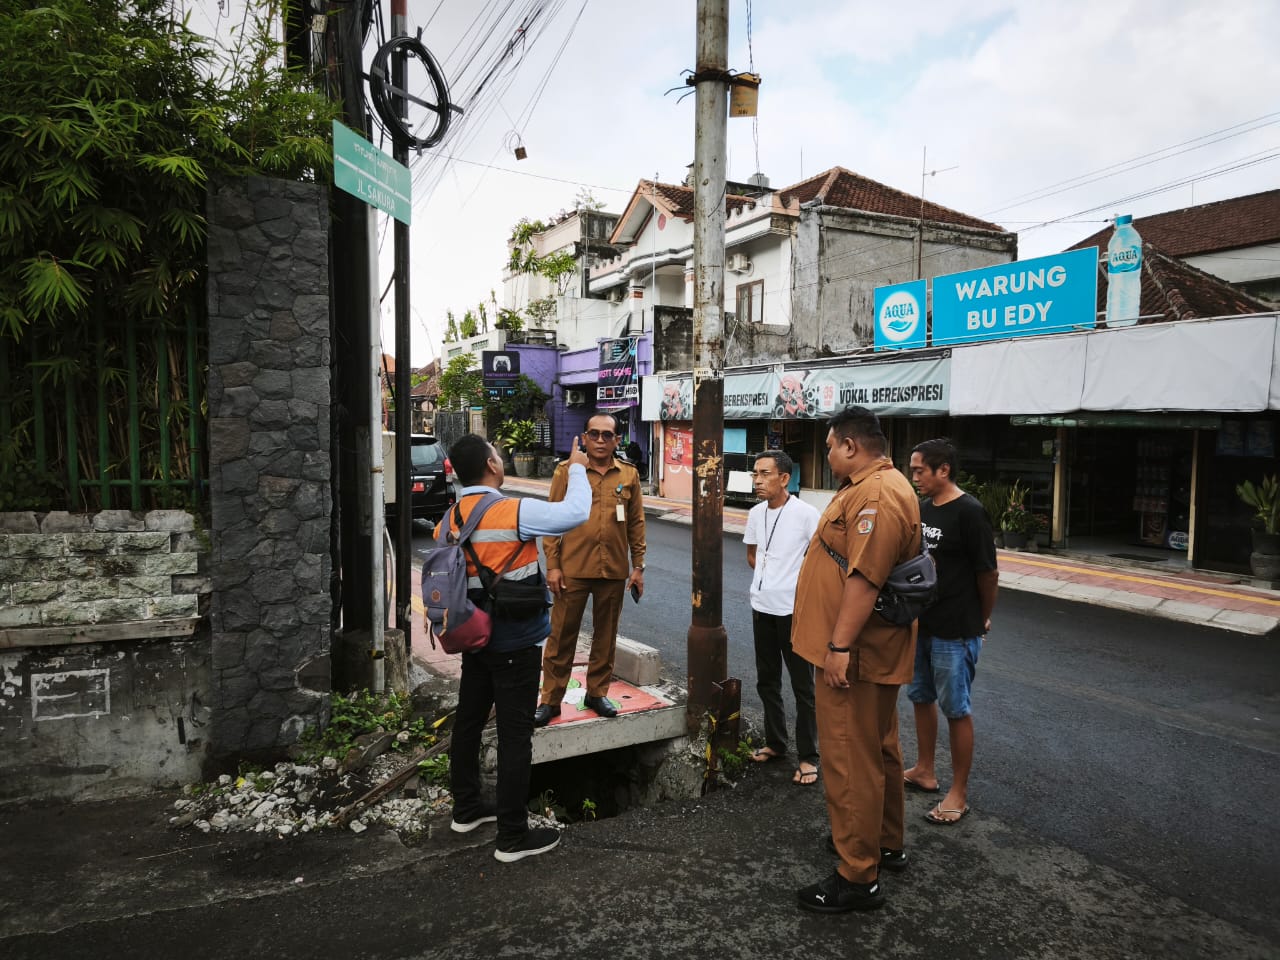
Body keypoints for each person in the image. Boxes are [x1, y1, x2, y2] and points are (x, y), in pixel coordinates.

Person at [791, 406, 921, 914]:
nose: (826, 454)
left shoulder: (878, 495)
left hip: (856, 656)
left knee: (849, 760)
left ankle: (856, 875)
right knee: (878, 748)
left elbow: (864, 579)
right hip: (865, 652)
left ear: (850, 445)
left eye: (828, 446)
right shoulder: (867, 485)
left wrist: (839, 648)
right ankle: (882, 842)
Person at [445, 432, 591, 863]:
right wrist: (577, 465)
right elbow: (575, 512)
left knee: (468, 723)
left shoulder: (450, 518)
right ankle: (512, 836)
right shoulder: (510, 511)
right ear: (491, 465)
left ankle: (467, 809)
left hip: (474, 639)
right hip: (516, 642)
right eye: (497, 453)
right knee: (515, 737)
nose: (501, 458)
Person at [903, 438, 998, 825]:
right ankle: (925, 769)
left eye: (919, 470)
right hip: (922, 623)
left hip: (956, 629)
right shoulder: (924, 509)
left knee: (956, 709)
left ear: (944, 470)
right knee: (920, 696)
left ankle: (958, 793)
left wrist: (982, 617)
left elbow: (988, 573)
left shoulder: (970, 512)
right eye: (912, 470)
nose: (914, 477)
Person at [535, 412, 646, 726]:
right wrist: (553, 567)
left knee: (606, 636)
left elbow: (636, 522)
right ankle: (550, 700)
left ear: (616, 440)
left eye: (607, 435)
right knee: (560, 637)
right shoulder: (567, 472)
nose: (600, 440)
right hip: (572, 569)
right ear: (584, 438)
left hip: (613, 570)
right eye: (594, 434)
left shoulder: (628, 475)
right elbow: (552, 521)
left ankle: (596, 693)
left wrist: (638, 566)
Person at [743, 450, 822, 785]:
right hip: (761, 606)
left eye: (765, 474)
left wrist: (791, 583)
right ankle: (776, 742)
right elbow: (752, 553)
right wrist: (769, 579)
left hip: (794, 612)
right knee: (767, 680)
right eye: (755, 474)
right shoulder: (756, 513)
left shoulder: (806, 515)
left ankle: (808, 757)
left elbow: (821, 559)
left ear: (785, 478)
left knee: (803, 687)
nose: (757, 480)